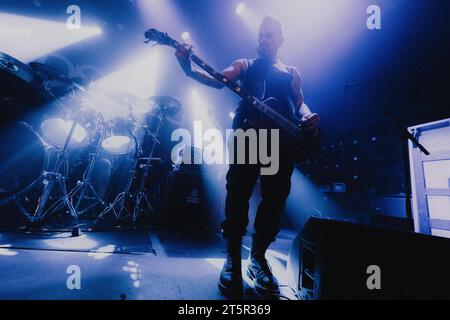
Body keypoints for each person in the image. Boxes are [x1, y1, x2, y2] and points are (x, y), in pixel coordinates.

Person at [174, 16, 320, 298]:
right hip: (249, 133)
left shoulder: (292, 71)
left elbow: (300, 104)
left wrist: (308, 117)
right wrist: (186, 65)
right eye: (260, 36)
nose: (264, 40)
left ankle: (258, 258)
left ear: (280, 39)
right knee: (238, 192)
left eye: (269, 35)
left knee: (274, 199)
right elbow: (217, 80)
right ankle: (232, 260)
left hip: (282, 140)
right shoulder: (245, 65)